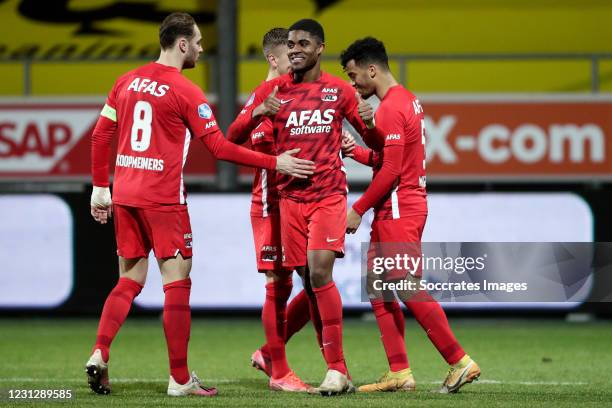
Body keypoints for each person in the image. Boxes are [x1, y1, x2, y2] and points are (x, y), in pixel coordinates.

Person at [87, 12, 314, 397]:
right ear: (181, 45)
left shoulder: (125, 82)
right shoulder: (186, 91)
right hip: (163, 199)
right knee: (177, 285)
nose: (202, 48)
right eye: (197, 42)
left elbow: (99, 135)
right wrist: (276, 161)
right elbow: (221, 148)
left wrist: (99, 187)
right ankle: (179, 379)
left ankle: (99, 351)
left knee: (128, 281)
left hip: (124, 195)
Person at [232, 19, 382, 396]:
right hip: (287, 201)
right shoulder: (272, 91)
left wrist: (371, 123)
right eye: (291, 44)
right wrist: (257, 112)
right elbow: (229, 138)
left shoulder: (338, 91)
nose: (295, 49)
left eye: (303, 43)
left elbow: (375, 143)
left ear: (319, 48)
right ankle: (315, 367)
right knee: (305, 282)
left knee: (318, 274)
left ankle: (335, 368)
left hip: (328, 195)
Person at [340, 37, 480, 394]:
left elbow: (389, 173)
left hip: (399, 206)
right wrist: (356, 148)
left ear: (372, 69)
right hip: (400, 203)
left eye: (354, 75)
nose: (353, 84)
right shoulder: (407, 100)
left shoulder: (391, 107)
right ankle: (399, 372)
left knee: (404, 284)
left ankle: (459, 361)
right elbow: (390, 158)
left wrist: (357, 209)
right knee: (379, 287)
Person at [227, 27, 313, 392]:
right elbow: (229, 137)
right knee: (277, 285)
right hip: (270, 204)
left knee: (315, 284)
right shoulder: (264, 93)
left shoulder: (298, 92)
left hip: (302, 204)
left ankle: (268, 354)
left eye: (299, 51)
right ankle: (279, 373)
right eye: (289, 53)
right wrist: (259, 111)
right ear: (272, 58)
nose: (295, 58)